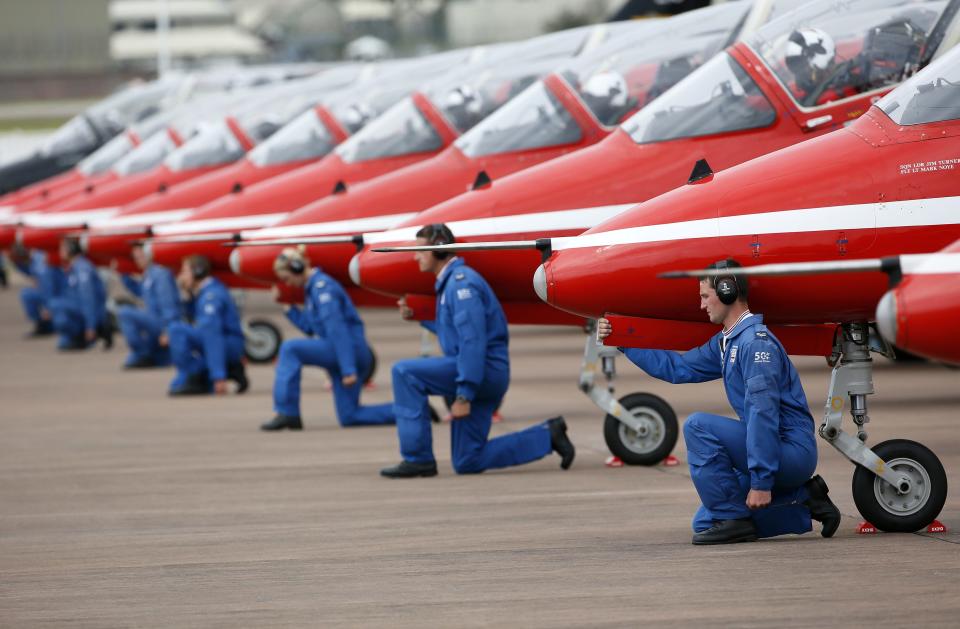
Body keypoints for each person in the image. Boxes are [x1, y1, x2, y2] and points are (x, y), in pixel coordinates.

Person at [597, 259, 841, 545]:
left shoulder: (755, 344)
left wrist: (761, 482)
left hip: (789, 450)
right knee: (706, 521)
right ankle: (805, 500)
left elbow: (763, 413)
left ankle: (738, 519)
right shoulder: (727, 342)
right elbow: (678, 368)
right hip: (770, 447)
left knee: (699, 426)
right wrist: (624, 339)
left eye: (704, 296)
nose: (702, 306)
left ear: (727, 291)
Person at [380, 223, 575, 478]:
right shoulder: (452, 283)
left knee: (405, 372)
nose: (416, 255)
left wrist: (464, 395)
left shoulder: (462, 284)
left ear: (439, 249)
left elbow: (472, 341)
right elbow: (456, 335)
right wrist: (418, 316)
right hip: (480, 372)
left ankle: (418, 459)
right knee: (467, 460)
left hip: (481, 372)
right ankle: (548, 436)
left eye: (421, 250)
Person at [261, 248, 394, 431]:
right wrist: (289, 310)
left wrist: (348, 369)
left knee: (289, 349)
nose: (288, 283)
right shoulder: (313, 289)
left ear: (297, 268)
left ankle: (287, 412)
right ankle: (408, 410)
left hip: (347, 352)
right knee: (350, 416)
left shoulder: (323, 288)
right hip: (344, 353)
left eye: (286, 278)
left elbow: (337, 330)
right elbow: (311, 328)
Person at [167, 255, 248, 396]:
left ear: (198, 272)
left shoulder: (212, 296)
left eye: (185, 272)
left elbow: (212, 336)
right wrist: (187, 296)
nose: (181, 276)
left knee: (176, 330)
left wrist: (218, 376)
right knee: (176, 385)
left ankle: (196, 376)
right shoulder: (205, 292)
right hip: (222, 342)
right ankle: (210, 373)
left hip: (227, 344)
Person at [116, 243, 183, 368]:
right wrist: (124, 276)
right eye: (136, 258)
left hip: (161, 321)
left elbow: (168, 303)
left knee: (124, 312)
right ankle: (146, 354)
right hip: (154, 318)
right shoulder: (149, 274)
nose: (138, 261)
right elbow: (141, 292)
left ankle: (142, 354)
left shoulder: (160, 273)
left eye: (141, 256)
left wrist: (167, 331)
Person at [47, 236, 113, 351]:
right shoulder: (73, 267)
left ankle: (89, 333)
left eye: (63, 249)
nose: (60, 252)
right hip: (80, 310)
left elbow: (88, 298)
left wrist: (90, 326)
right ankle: (77, 335)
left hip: (92, 312)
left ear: (72, 249)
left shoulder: (82, 268)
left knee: (56, 305)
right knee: (58, 305)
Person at [14, 247, 66, 337]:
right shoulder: (33, 261)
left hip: (59, 292)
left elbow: (48, 285)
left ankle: (51, 324)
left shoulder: (41, 258)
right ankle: (42, 324)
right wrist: (18, 265)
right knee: (27, 294)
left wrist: (47, 307)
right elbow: (33, 276)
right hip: (46, 291)